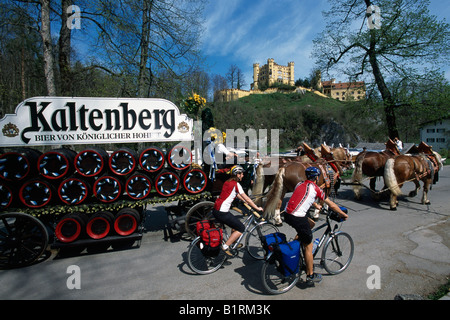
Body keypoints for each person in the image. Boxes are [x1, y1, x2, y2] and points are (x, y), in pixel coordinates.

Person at [284, 166, 348, 284]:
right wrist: (343, 214)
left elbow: (304, 195)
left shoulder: (299, 184)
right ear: (317, 177)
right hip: (297, 217)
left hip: (287, 214)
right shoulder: (316, 188)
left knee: (311, 223)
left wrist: (315, 205)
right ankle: (310, 275)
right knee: (309, 245)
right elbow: (332, 205)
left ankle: (297, 243)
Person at [213, 165, 263, 257]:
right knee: (241, 228)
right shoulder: (236, 184)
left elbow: (235, 193)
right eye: (241, 174)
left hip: (216, 210)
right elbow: (247, 199)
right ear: (237, 175)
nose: (243, 175)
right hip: (223, 212)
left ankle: (233, 242)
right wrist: (256, 208)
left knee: (235, 224)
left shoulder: (228, 182)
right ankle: (225, 246)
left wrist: (242, 200)